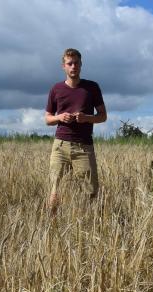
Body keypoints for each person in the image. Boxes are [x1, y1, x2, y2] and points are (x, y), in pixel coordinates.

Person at [45, 48, 107, 213]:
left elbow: (103, 116)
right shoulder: (56, 89)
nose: (73, 66)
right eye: (69, 63)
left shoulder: (92, 88)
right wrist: (60, 117)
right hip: (60, 146)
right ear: (63, 66)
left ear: (81, 65)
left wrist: (86, 117)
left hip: (84, 147)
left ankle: (91, 223)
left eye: (76, 63)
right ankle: (51, 224)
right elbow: (47, 119)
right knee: (55, 190)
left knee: (91, 191)